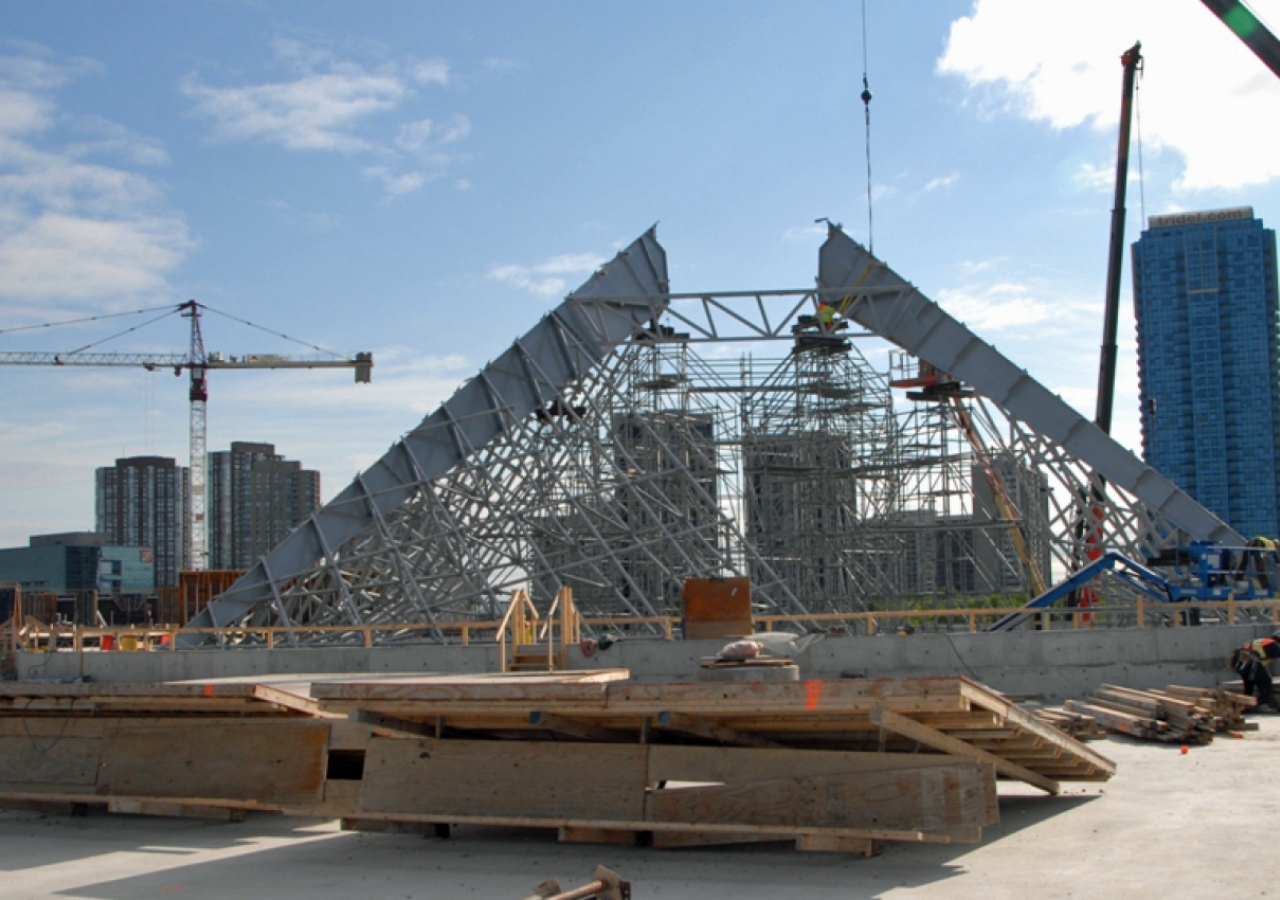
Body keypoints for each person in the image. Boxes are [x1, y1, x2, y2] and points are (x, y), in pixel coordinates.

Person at [1230, 632, 1280, 710]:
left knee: (1249, 684)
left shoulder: (1263, 641)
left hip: (1241, 661)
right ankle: (1261, 701)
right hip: (1251, 662)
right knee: (1266, 681)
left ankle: (1245, 705)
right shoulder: (1274, 645)